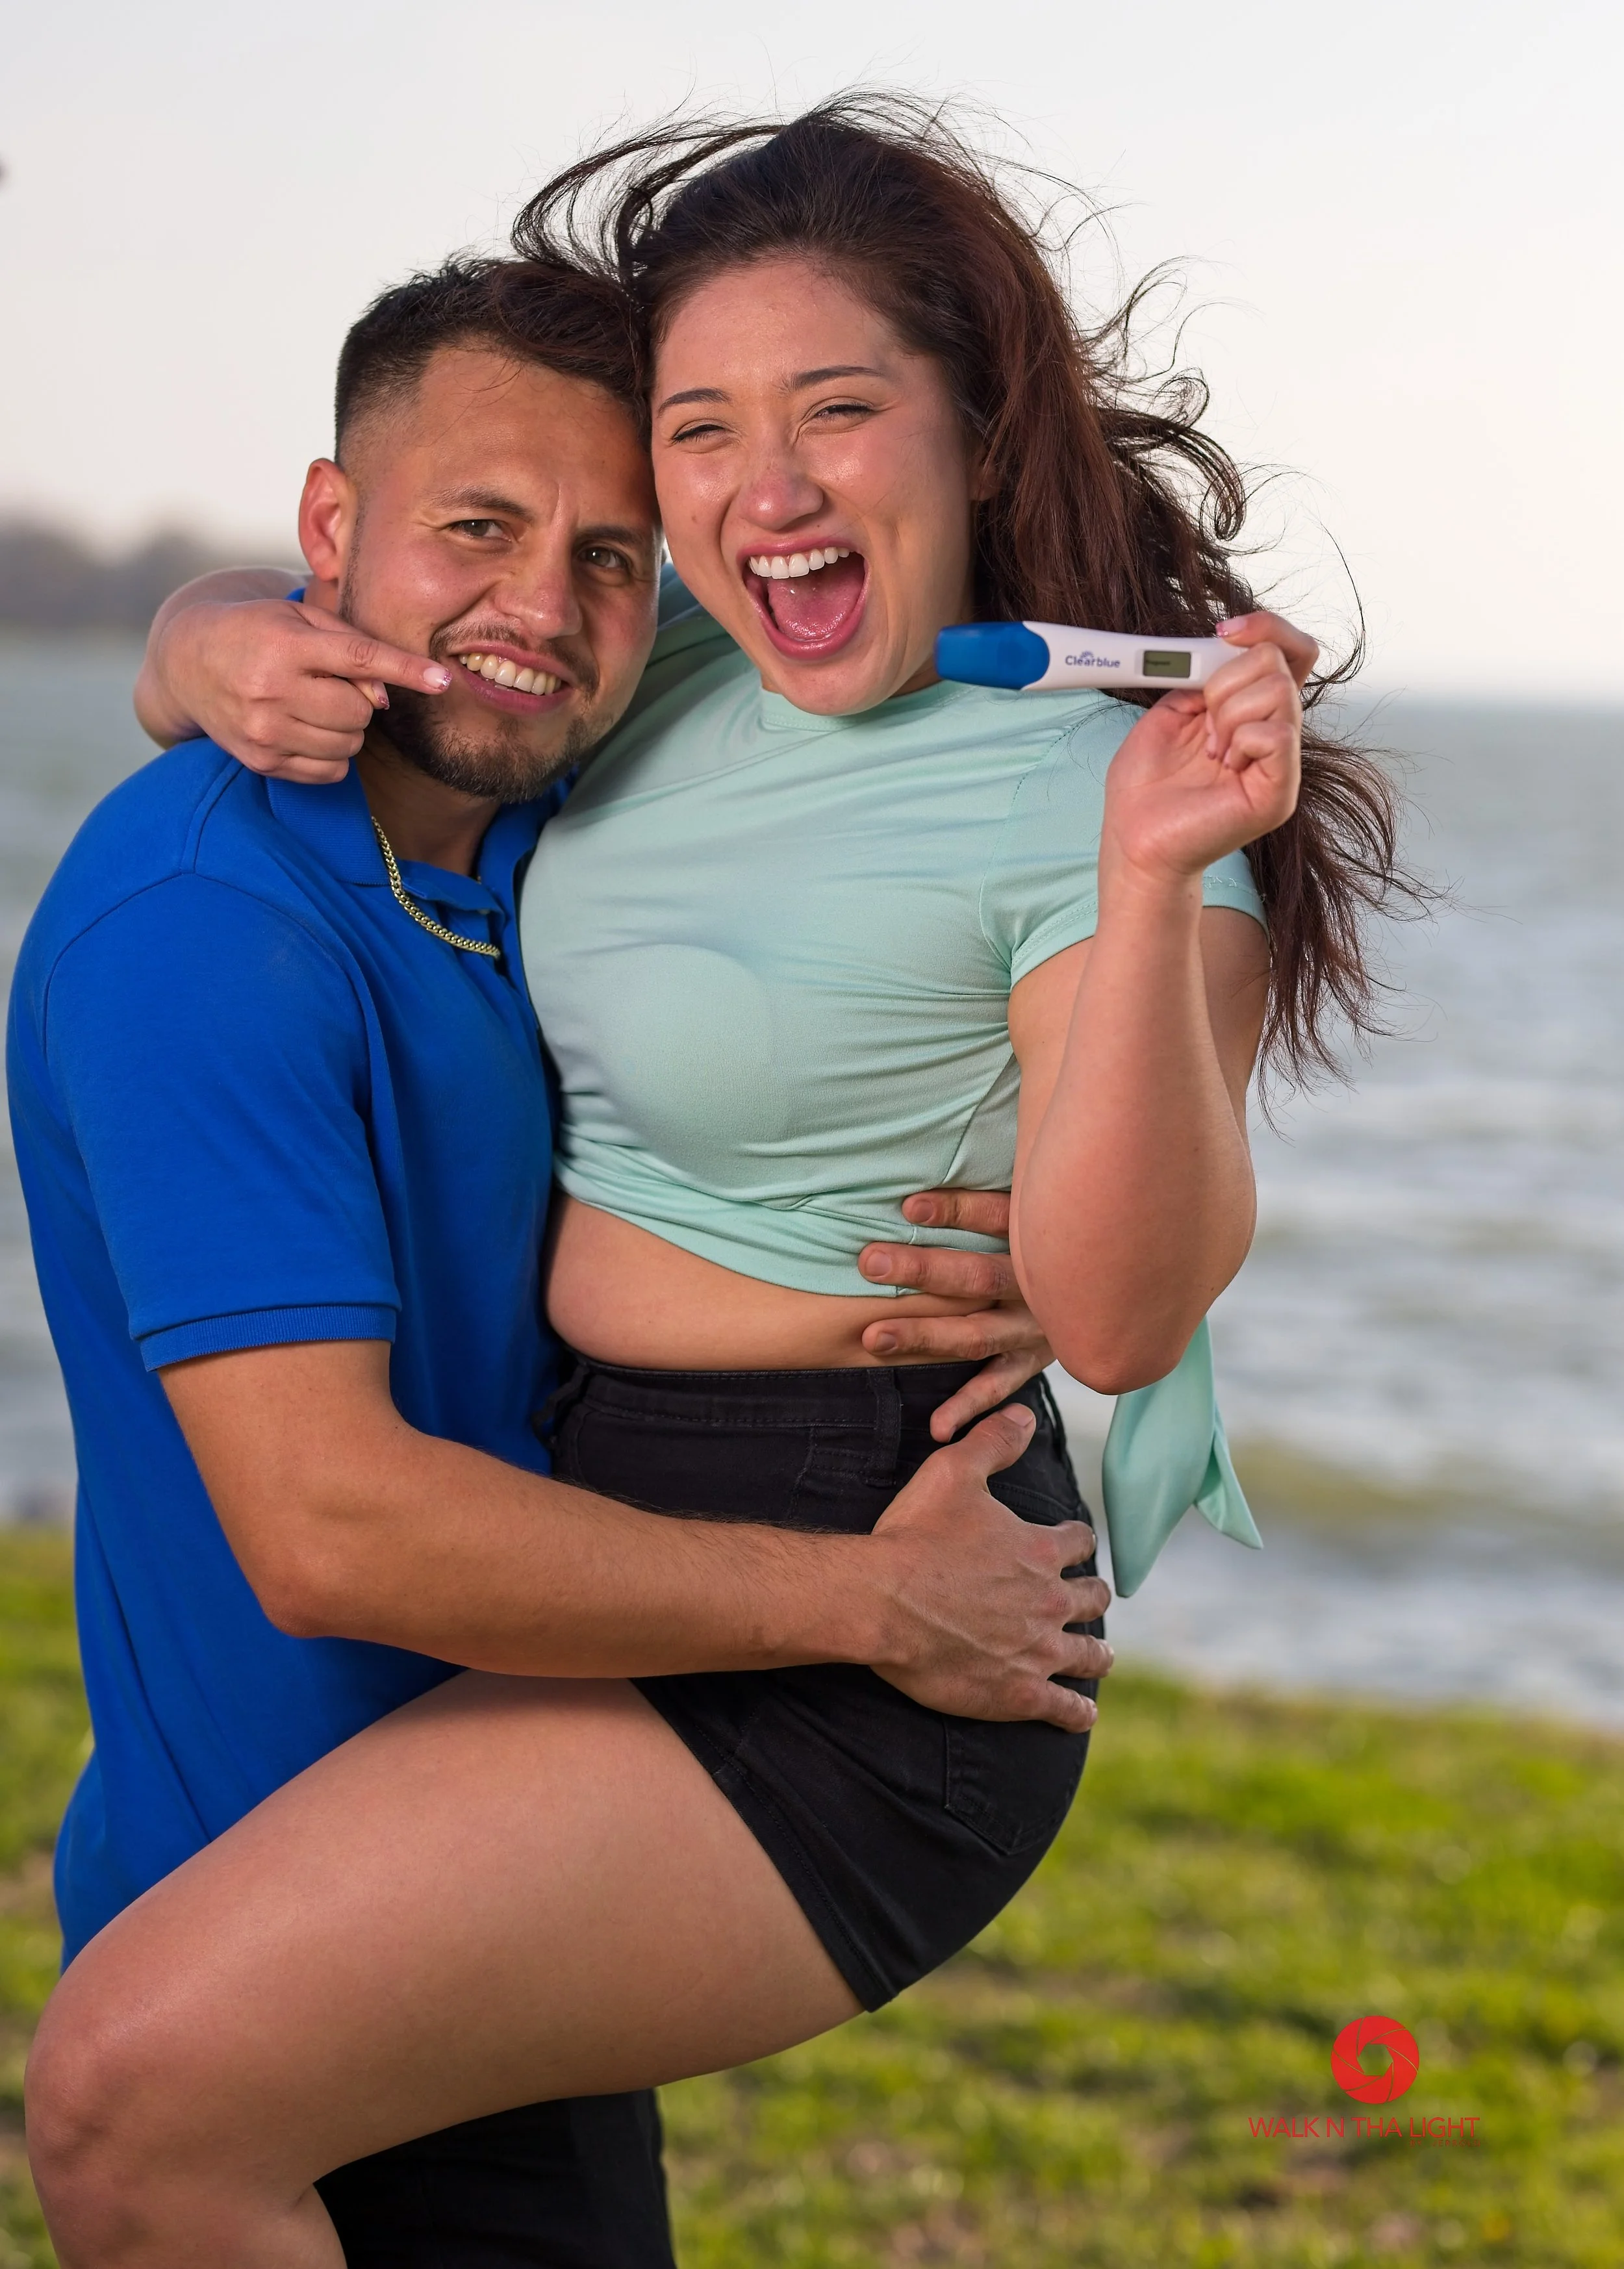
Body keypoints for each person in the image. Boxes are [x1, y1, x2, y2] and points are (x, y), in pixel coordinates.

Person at [25, 95, 1404, 2268]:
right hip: (625, 1539)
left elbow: (1127, 1312)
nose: (764, 488)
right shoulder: (667, 666)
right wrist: (199, 638)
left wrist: (1149, 888)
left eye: (836, 411)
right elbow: (437, 613)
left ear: (966, 427)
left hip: (882, 1578)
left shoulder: (1096, 783)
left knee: (127, 2105)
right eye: (699, 431)